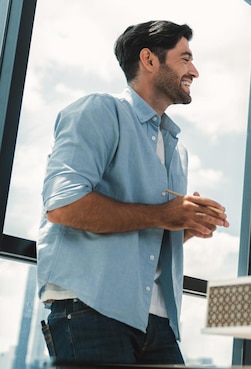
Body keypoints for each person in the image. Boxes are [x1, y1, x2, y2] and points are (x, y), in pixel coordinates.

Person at [37, 20, 230, 365]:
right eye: (185, 59)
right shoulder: (98, 111)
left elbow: (145, 231)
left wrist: (181, 227)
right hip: (91, 311)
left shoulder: (176, 149)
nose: (195, 71)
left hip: (156, 320)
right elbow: (63, 205)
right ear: (149, 60)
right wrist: (162, 215)